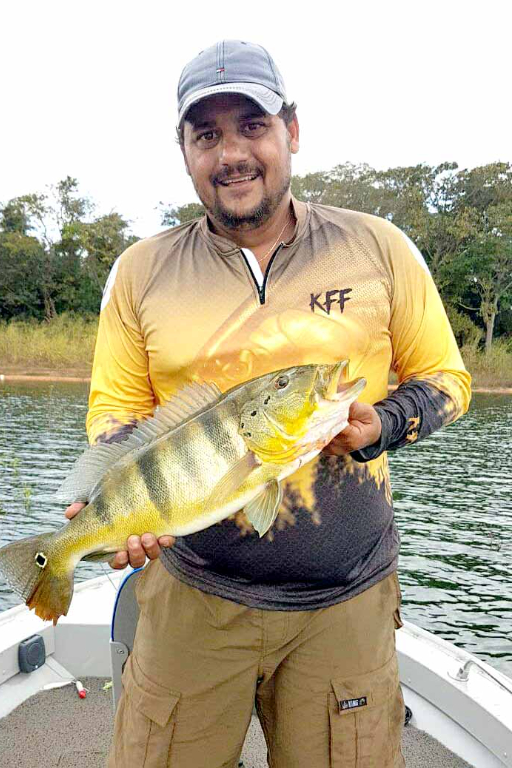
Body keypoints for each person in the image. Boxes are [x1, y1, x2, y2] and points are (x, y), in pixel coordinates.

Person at [66, 40, 471, 767]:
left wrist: (381, 423)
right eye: (206, 134)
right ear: (184, 150)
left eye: (251, 125)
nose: (231, 154)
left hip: (344, 602)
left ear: (291, 130)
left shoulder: (377, 248)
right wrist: (114, 501)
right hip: (190, 592)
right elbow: (117, 409)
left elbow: (447, 381)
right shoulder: (141, 271)